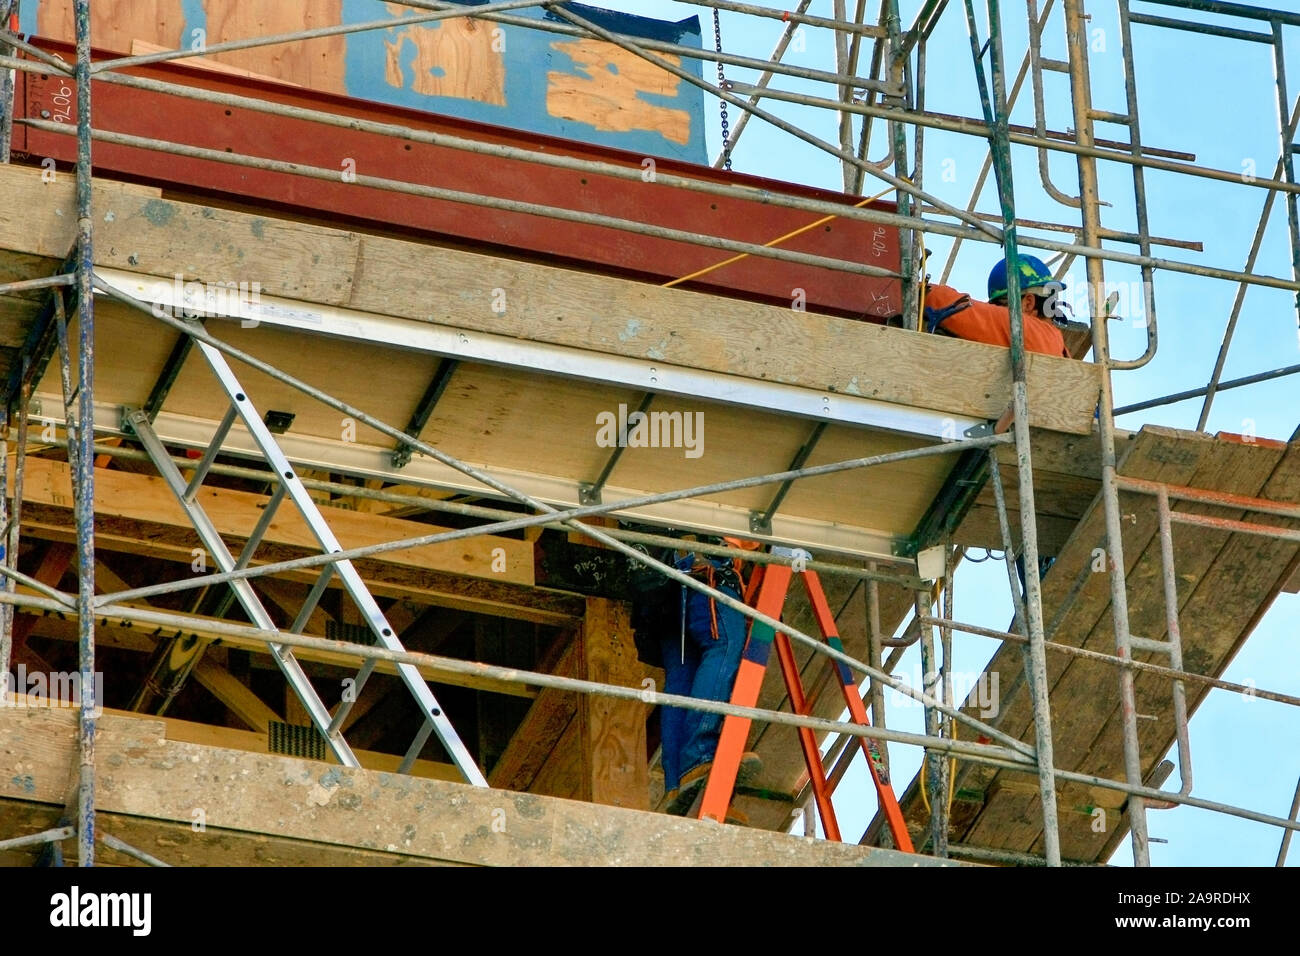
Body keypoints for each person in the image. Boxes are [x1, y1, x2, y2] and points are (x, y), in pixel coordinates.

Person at [629, 534, 762, 817]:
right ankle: (700, 756)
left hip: (665, 586)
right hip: (706, 565)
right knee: (723, 647)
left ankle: (676, 783)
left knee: (681, 679)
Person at [923, 254, 1071, 358]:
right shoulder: (1056, 344)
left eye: (999, 306)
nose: (996, 311)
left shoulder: (1033, 332)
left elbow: (956, 309)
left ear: (1028, 303)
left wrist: (919, 290)